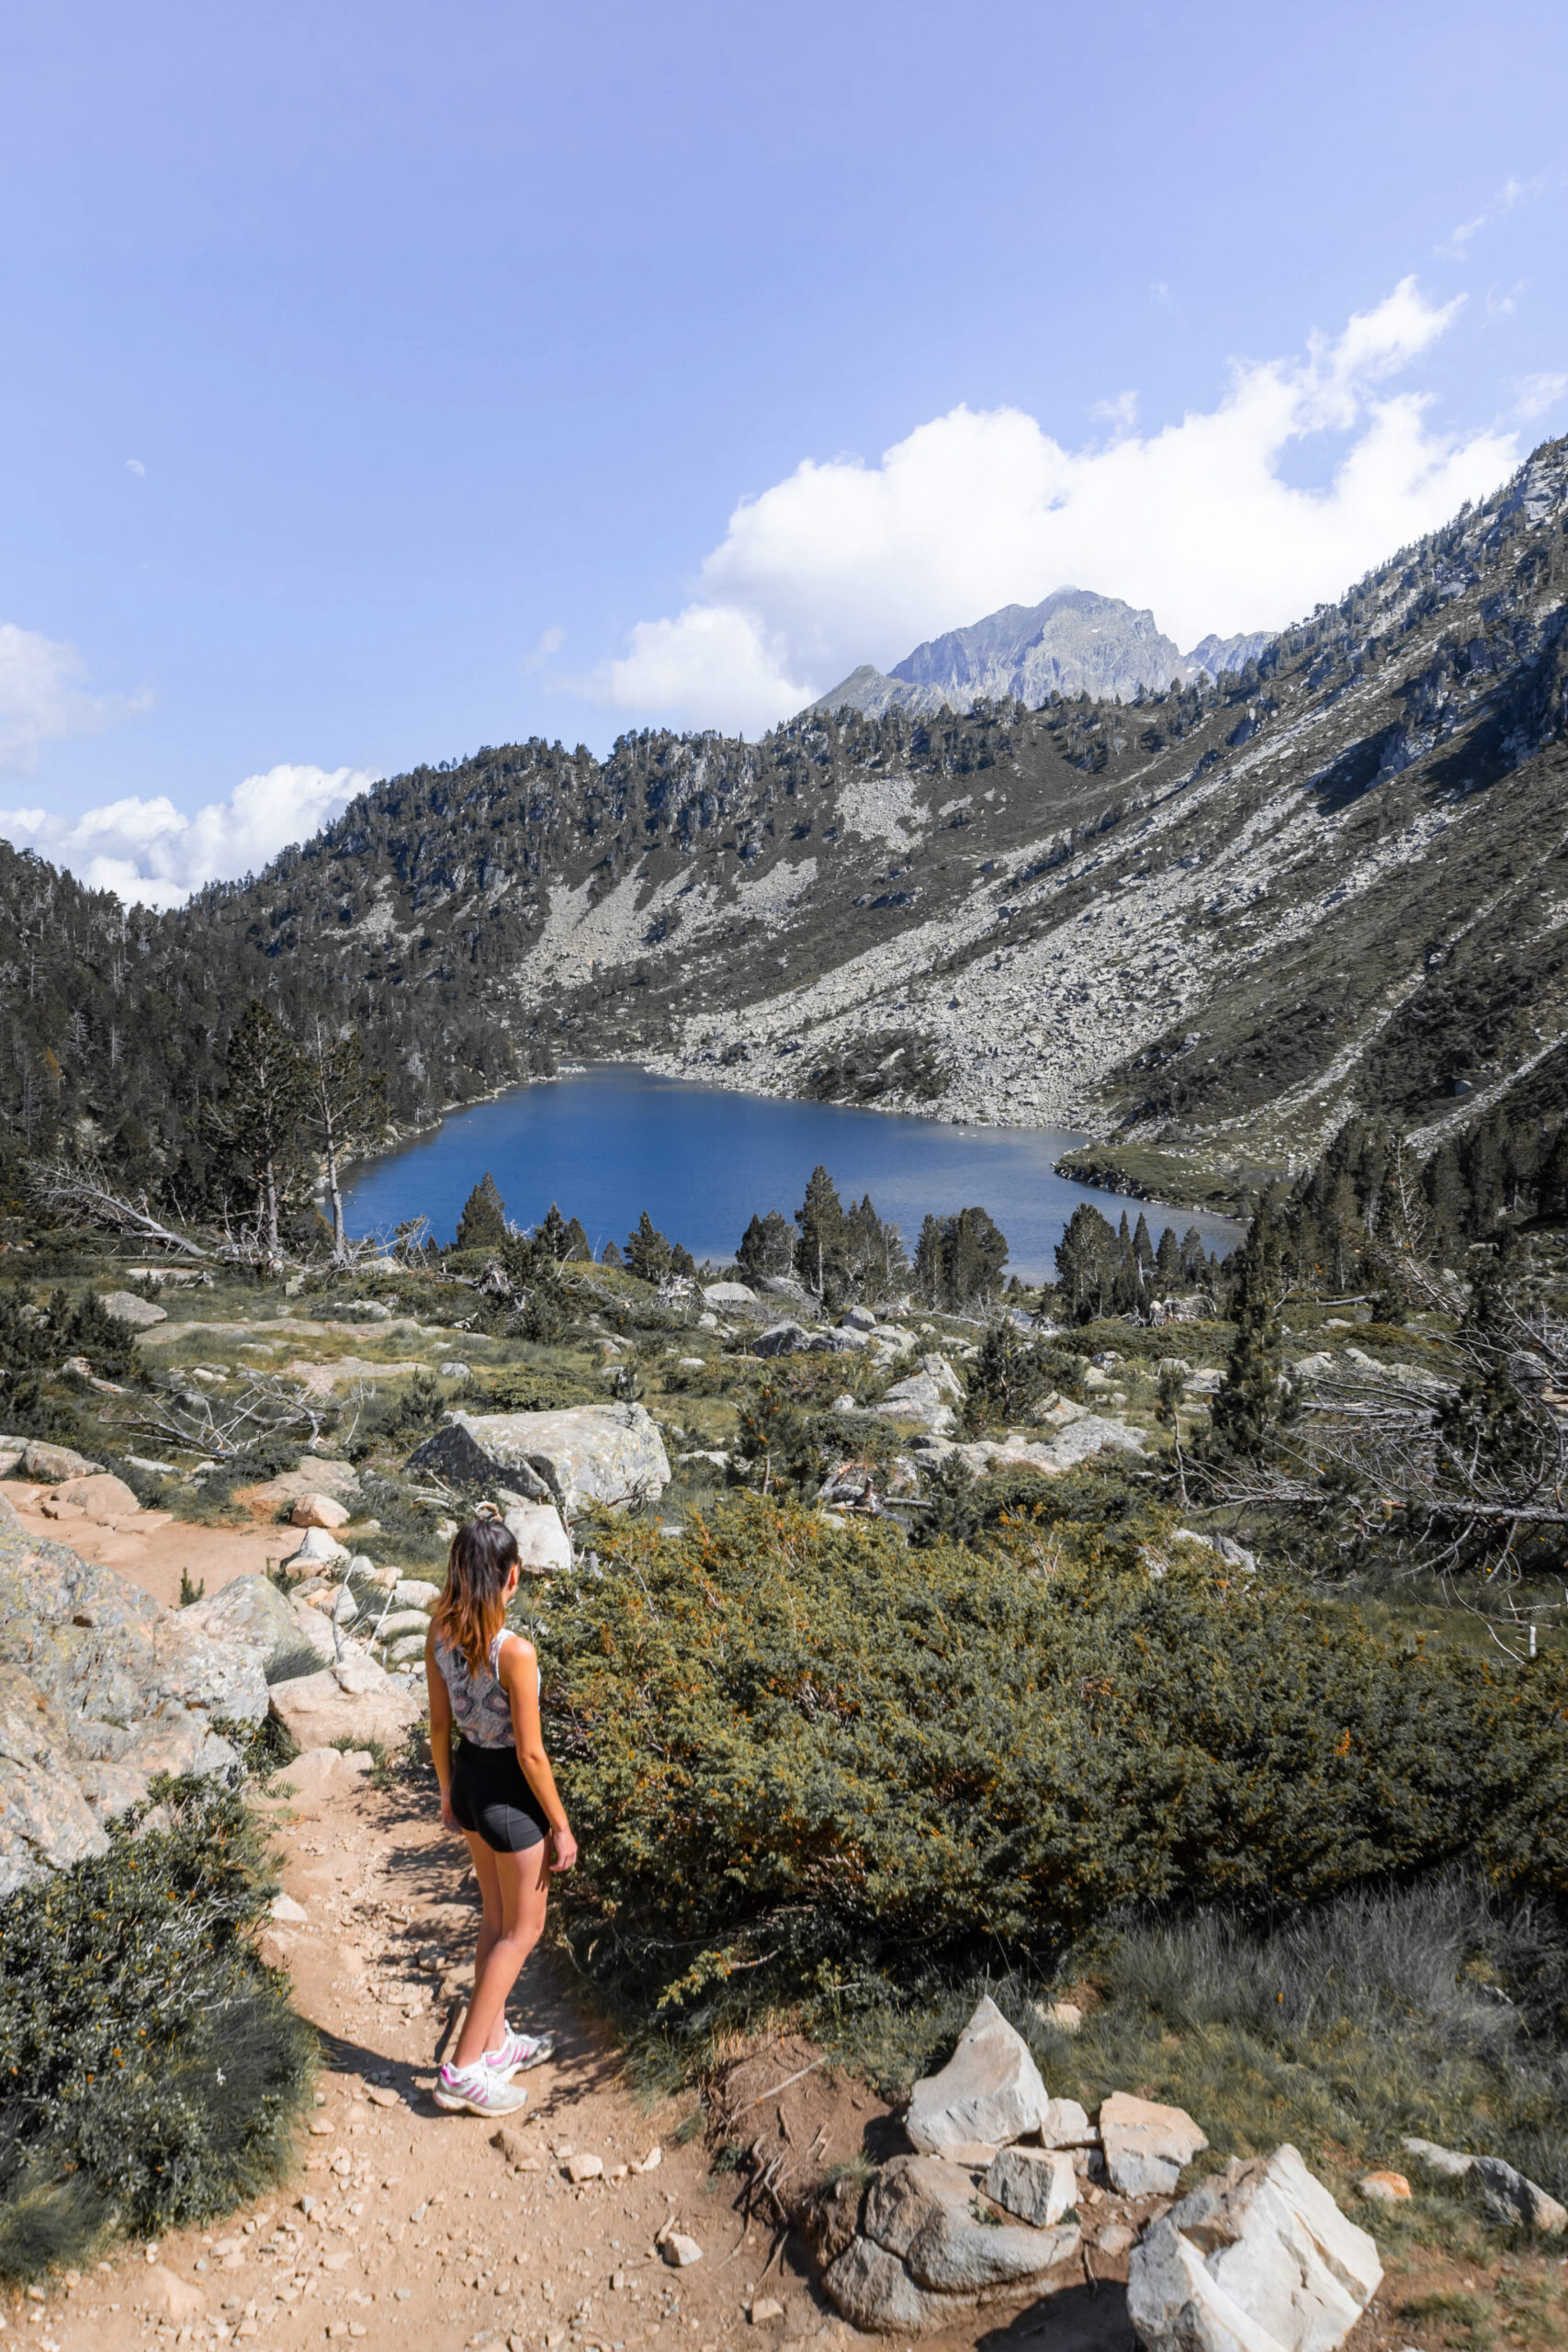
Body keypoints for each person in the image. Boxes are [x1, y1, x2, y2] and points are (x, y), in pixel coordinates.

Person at [424, 1516, 578, 2116]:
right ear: (511, 1576)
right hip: (511, 1801)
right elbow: (531, 1753)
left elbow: (438, 1726)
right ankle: (461, 2070)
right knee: (524, 1931)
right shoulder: (514, 1652)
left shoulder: (438, 1632)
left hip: (467, 1782)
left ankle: (495, 2044)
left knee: (493, 1922)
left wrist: (446, 1794)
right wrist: (561, 1826)